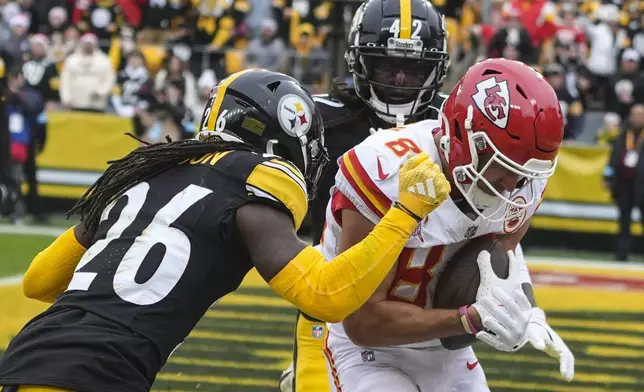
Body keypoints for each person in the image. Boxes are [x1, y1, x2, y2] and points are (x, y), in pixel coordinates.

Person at [0, 69, 451, 392]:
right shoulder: (255, 184)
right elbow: (326, 295)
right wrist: (405, 213)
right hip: (97, 374)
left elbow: (39, 282)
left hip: (24, 360)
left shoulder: (144, 174)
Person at [320, 58, 575, 392]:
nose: (513, 185)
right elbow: (362, 322)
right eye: (505, 166)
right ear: (465, 138)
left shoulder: (522, 182)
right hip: (368, 349)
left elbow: (497, 259)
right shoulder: (386, 169)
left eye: (523, 172)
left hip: (443, 348)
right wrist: (468, 320)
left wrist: (525, 309)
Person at [281, 1, 451, 389]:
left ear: (436, 70)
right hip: (334, 307)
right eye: (386, 66)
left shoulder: (453, 125)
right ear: (359, 62)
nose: (399, 80)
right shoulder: (321, 121)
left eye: (414, 70)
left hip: (418, 313)